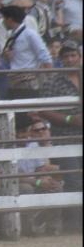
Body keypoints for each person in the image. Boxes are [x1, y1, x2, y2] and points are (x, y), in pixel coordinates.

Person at [38, 40, 82, 232]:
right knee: (73, 180)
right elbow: (43, 109)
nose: (70, 59)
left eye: (73, 55)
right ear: (60, 59)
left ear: (79, 57)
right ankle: (73, 225)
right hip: (65, 136)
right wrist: (70, 119)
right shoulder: (53, 81)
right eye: (66, 56)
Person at [15, 114, 63, 236]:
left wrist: (45, 179)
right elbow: (13, 175)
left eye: (25, 130)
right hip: (18, 184)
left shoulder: (33, 145)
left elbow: (41, 168)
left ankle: (52, 227)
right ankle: (28, 228)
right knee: (26, 189)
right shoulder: (6, 147)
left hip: (34, 180)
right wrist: (37, 181)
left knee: (55, 186)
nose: (24, 134)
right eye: (20, 131)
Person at [0, 5, 53, 98]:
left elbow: (44, 54)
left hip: (28, 80)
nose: (3, 22)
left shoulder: (30, 34)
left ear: (10, 19)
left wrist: (51, 78)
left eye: (4, 18)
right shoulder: (12, 35)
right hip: (14, 79)